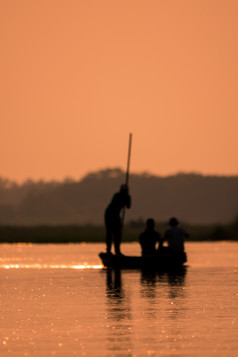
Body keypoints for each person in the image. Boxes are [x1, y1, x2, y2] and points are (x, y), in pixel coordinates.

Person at [104, 184, 131, 255]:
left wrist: (127, 198)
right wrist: (124, 198)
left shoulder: (127, 196)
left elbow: (128, 206)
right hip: (110, 214)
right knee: (110, 232)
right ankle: (108, 250)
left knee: (117, 233)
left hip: (116, 215)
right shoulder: (117, 195)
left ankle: (117, 250)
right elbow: (116, 202)